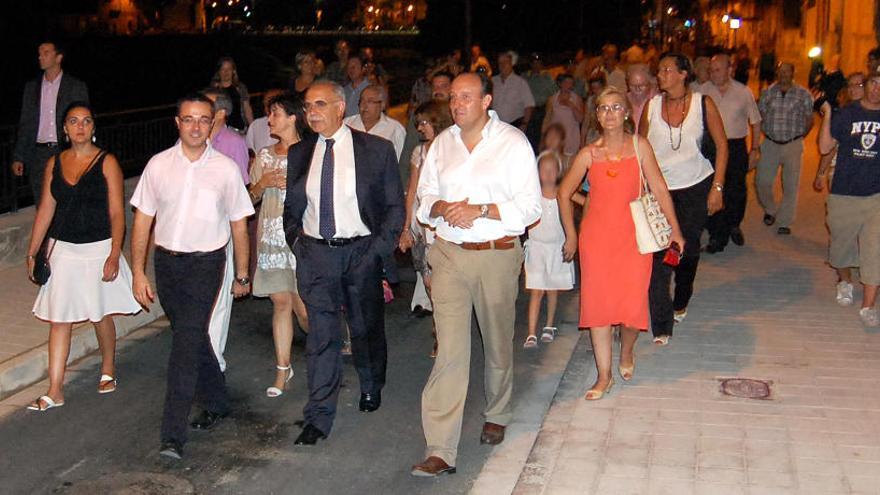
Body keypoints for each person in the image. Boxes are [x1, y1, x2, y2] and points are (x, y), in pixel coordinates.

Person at [411, 73, 541, 477]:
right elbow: (424, 196)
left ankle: (497, 410)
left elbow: (530, 209)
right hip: (449, 253)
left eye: (466, 97)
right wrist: (439, 207)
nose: (457, 104)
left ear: (486, 100)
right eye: (453, 97)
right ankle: (440, 449)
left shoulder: (513, 143)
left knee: (497, 339)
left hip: (496, 254)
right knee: (450, 350)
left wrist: (480, 210)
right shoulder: (442, 145)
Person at [130, 93, 254, 460]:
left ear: (213, 122)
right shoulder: (158, 165)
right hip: (167, 263)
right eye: (189, 119)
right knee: (193, 334)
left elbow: (239, 224)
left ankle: (173, 434)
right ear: (177, 122)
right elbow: (142, 220)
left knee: (184, 343)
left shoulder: (226, 169)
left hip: (207, 264)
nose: (196, 126)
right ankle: (217, 399)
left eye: (204, 119)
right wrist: (137, 270)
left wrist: (243, 274)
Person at [282, 81, 404, 445]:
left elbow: (395, 206)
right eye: (307, 106)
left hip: (360, 252)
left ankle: (370, 382)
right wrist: (298, 241)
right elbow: (293, 205)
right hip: (316, 254)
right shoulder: (300, 153)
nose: (312, 112)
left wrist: (376, 251)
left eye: (320, 104)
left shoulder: (376, 150)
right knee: (321, 337)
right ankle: (318, 415)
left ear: (340, 107)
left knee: (365, 328)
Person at [559, 87, 684, 398]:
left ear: (627, 112)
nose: (609, 113)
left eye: (616, 107)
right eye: (603, 108)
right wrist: (572, 235)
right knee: (599, 309)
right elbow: (563, 193)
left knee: (631, 309)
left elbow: (659, 187)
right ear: (597, 116)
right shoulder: (589, 153)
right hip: (596, 240)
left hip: (633, 239)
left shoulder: (640, 147)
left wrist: (675, 230)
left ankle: (627, 351)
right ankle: (604, 376)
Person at [24, 101, 140, 412]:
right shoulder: (54, 163)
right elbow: (46, 209)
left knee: (99, 314)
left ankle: (108, 368)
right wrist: (33, 249)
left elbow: (117, 212)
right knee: (59, 319)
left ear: (93, 127)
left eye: (86, 121)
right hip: (64, 249)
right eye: (73, 121)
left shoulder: (107, 162)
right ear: (64, 129)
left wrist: (115, 253)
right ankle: (55, 389)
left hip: (98, 248)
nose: (80, 126)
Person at [638, 52, 728, 345]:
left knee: (687, 250)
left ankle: (683, 295)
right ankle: (662, 323)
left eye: (666, 70)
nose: (660, 75)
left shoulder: (703, 104)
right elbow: (640, 149)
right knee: (661, 253)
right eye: (659, 70)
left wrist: (717, 188)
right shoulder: (651, 107)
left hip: (696, 186)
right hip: (660, 189)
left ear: (683, 74)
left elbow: (723, 147)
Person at [249, 93, 310, 396]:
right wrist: (263, 183)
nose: (269, 120)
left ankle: (326, 347)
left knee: (305, 310)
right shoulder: (264, 155)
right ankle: (282, 370)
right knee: (281, 303)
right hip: (272, 240)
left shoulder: (311, 152)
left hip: (302, 240)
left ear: (292, 117)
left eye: (275, 114)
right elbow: (248, 199)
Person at [815, 72, 880, 327]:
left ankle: (868, 305)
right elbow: (824, 147)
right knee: (840, 248)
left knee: (874, 249)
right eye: (874, 83)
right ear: (866, 86)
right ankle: (844, 281)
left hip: (876, 195)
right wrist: (828, 114)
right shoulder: (847, 114)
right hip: (844, 193)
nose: (877, 90)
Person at [399, 100, 453, 357]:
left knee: (444, 281)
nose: (420, 127)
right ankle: (440, 327)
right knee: (429, 280)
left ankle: (443, 332)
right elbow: (412, 191)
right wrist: (406, 227)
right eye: (418, 122)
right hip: (422, 223)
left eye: (425, 122)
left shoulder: (452, 149)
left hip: (444, 222)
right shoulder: (419, 152)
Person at [12, 41, 89, 205]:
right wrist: (19, 156)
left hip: (65, 151)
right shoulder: (31, 88)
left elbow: (84, 121)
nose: (40, 57)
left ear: (58, 57)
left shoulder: (75, 86)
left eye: (46, 53)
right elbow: (25, 123)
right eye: (39, 53)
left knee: (68, 199)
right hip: (38, 154)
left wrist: (85, 152)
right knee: (42, 202)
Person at [701, 53, 762, 252]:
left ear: (730, 70)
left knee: (736, 190)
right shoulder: (703, 92)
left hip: (735, 146)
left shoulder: (743, 92)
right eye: (711, 70)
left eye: (718, 70)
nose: (713, 73)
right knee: (714, 188)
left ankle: (734, 223)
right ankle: (717, 235)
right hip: (711, 146)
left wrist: (754, 149)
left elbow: (755, 121)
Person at [523, 151, 574, 349]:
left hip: (556, 248)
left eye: (553, 170)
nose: (549, 174)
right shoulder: (532, 196)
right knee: (536, 289)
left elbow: (583, 201)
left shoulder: (563, 194)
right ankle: (530, 332)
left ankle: (549, 325)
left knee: (552, 289)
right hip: (537, 248)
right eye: (544, 170)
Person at [755, 62, 813, 235]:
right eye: (780, 72)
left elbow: (810, 120)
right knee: (762, 181)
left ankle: (785, 221)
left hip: (792, 144)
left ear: (792, 73)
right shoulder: (767, 93)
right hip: (771, 143)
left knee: (791, 185)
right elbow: (760, 116)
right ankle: (771, 209)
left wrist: (800, 137)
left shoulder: (803, 94)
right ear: (776, 73)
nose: (783, 75)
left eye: (787, 71)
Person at [343, 85, 407, 160]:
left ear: (382, 105)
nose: (364, 106)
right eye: (362, 101)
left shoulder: (395, 129)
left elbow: (402, 160)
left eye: (370, 101)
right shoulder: (347, 123)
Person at [491, 51, 536, 132]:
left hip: (514, 126)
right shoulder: (493, 81)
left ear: (511, 64)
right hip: (495, 125)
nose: (503, 65)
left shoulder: (520, 82)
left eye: (506, 62)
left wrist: (525, 124)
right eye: (500, 63)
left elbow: (529, 105)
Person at [542, 73, 584, 156]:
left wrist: (572, 106)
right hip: (556, 138)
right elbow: (547, 119)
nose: (568, 85)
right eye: (566, 82)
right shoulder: (552, 99)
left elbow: (580, 119)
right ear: (560, 84)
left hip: (572, 137)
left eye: (571, 83)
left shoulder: (577, 99)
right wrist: (543, 137)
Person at [210, 57, 254, 131]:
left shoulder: (240, 88)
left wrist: (253, 127)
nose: (226, 72)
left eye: (229, 69)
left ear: (233, 71)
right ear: (219, 71)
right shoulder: (213, 89)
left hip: (240, 129)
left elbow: (247, 109)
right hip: (219, 131)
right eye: (223, 69)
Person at [524, 54, 557, 149]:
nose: (536, 65)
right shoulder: (526, 78)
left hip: (543, 110)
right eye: (534, 63)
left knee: (542, 138)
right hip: (529, 111)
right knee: (529, 138)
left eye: (538, 63)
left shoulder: (546, 78)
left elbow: (555, 92)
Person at [246, 89, 283, 154]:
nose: (267, 107)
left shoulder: (288, 125)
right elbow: (249, 149)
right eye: (265, 103)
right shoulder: (256, 125)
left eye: (271, 103)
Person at [626, 64, 658, 132]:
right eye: (632, 85)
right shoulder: (623, 100)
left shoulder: (657, 101)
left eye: (642, 85)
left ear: (650, 84)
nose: (637, 89)